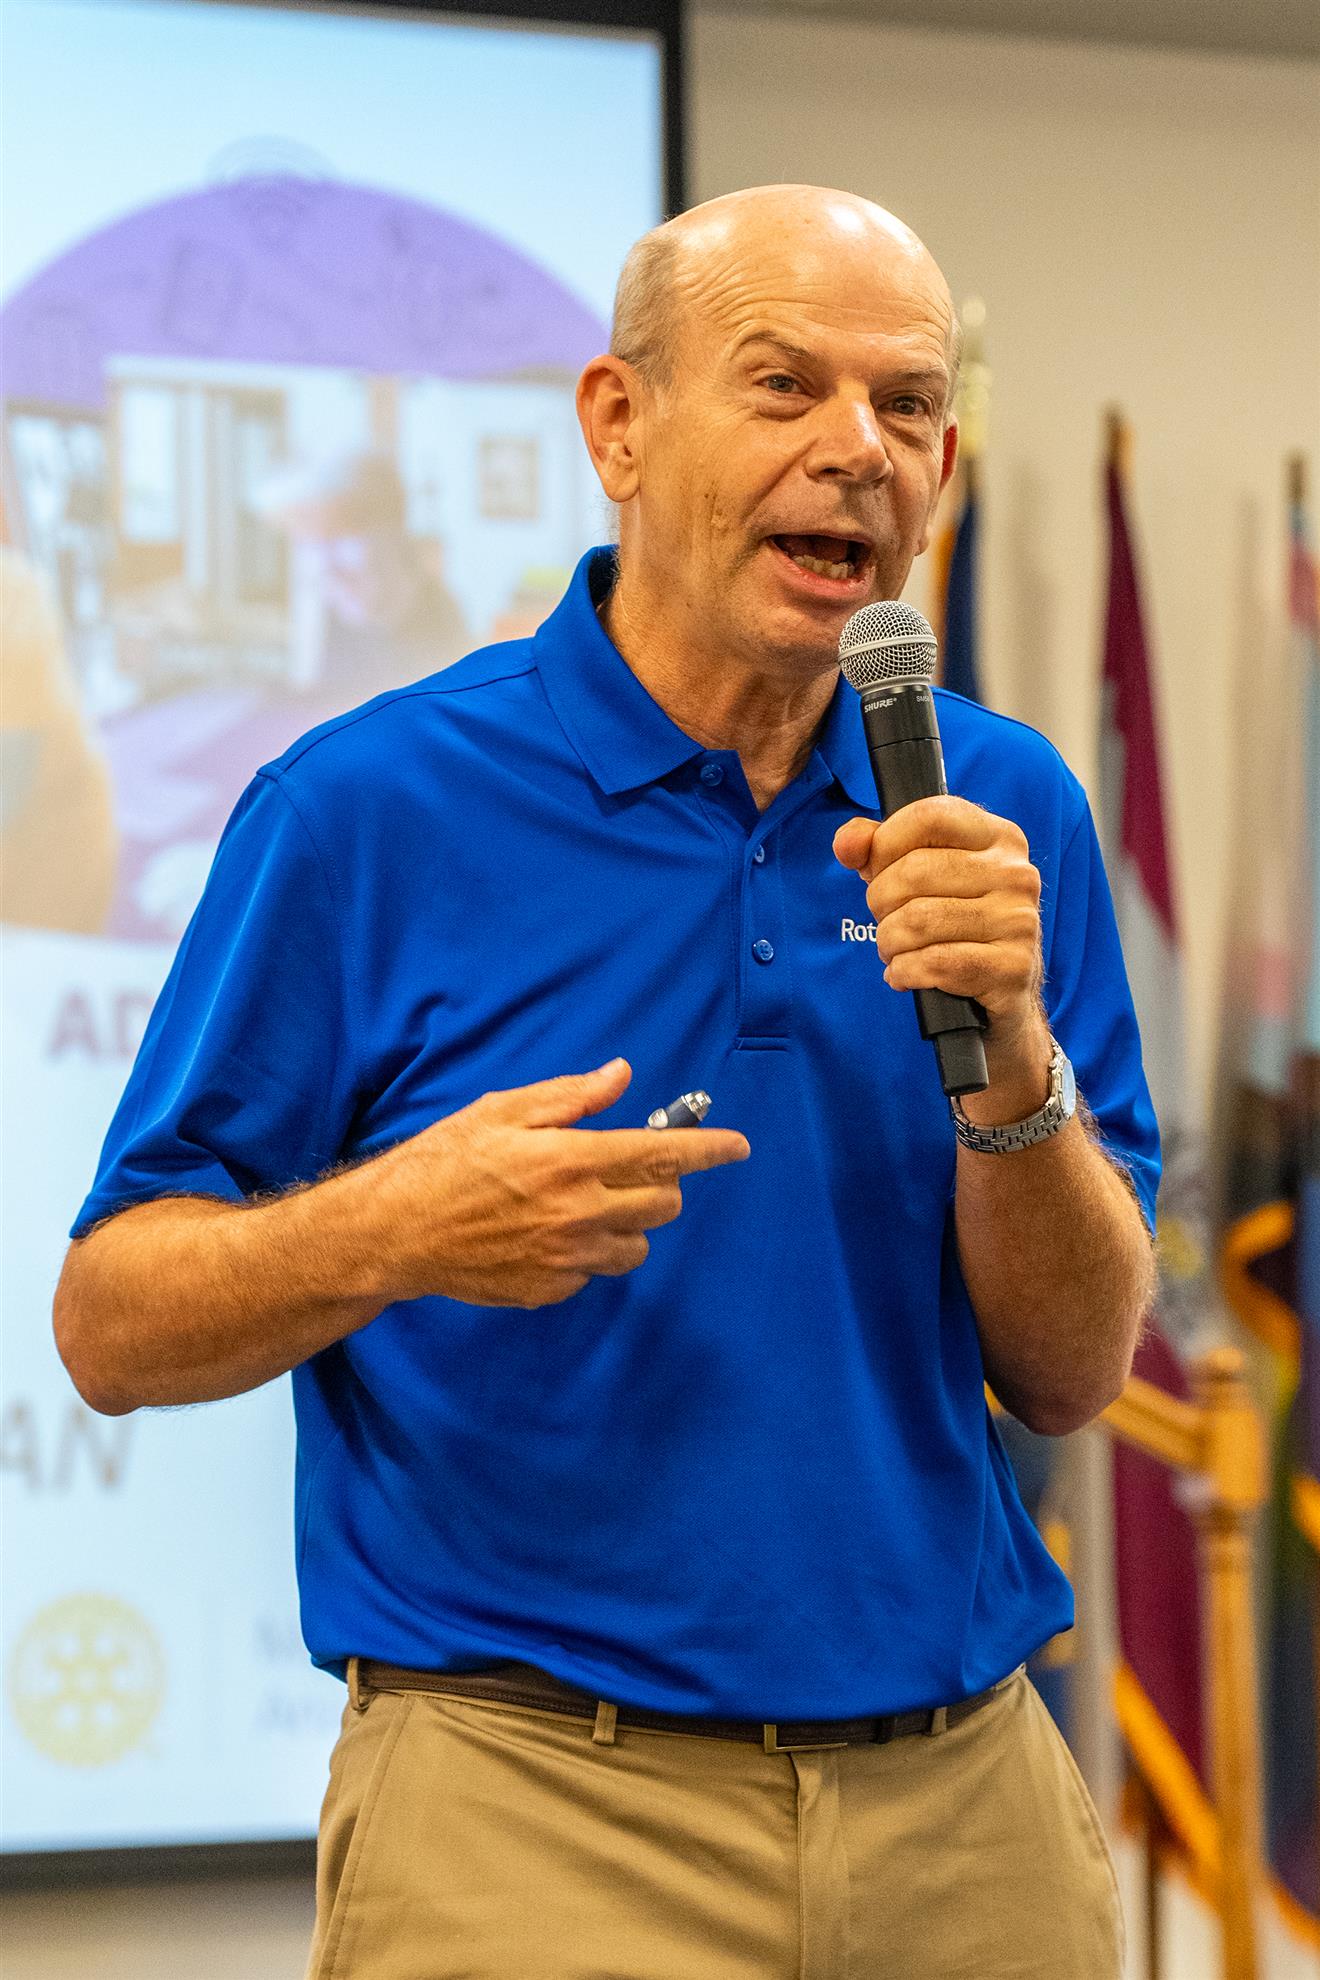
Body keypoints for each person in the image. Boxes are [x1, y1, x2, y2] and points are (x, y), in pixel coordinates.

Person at [54, 185, 1158, 1979]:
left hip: (966, 1809)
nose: (858, 449)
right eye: (785, 384)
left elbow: (1077, 1366)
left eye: (906, 405)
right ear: (618, 425)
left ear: (944, 468)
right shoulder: (367, 809)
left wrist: (1014, 1053)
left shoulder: (1002, 808)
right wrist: (397, 1229)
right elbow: (111, 1323)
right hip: (535, 1808)